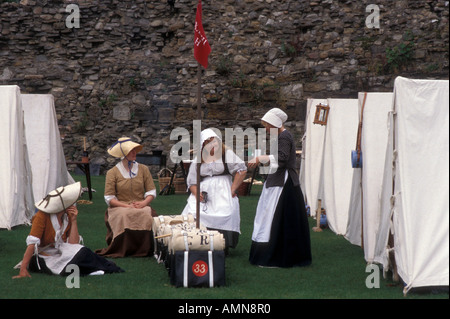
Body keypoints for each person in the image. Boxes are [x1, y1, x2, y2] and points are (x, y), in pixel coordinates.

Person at [13, 182, 123, 278]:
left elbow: (73, 244)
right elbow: (32, 244)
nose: (73, 204)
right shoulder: (42, 216)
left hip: (59, 252)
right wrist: (23, 269)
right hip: (43, 257)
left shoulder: (66, 217)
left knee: (82, 251)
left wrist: (74, 220)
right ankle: (97, 269)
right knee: (73, 263)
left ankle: (101, 268)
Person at [248, 108, 312, 268]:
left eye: (268, 125)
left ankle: (277, 256)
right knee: (271, 217)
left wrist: (261, 158)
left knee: (275, 217)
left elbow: (282, 159)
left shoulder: (284, 136)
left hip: (284, 184)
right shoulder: (281, 136)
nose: (266, 129)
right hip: (278, 180)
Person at [181, 128, 247, 251]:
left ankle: (222, 243)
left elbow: (242, 170)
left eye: (215, 141)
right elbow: (191, 182)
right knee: (193, 210)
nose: (213, 144)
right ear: (203, 145)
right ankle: (197, 241)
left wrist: (232, 189)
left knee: (227, 210)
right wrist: (197, 194)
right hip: (205, 191)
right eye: (209, 142)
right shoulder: (198, 159)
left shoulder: (226, 154)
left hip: (223, 190)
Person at [96, 137, 157, 257]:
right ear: (123, 154)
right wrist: (126, 205)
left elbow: (151, 191)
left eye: (135, 150)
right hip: (120, 206)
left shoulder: (143, 169)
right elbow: (109, 198)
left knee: (146, 214)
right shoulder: (112, 172)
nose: (135, 153)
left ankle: (145, 248)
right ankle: (124, 248)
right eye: (131, 151)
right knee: (124, 215)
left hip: (140, 204)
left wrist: (144, 203)